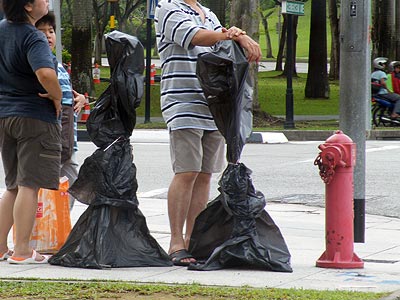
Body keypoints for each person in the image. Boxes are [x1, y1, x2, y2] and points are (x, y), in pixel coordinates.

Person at [155, 0, 262, 266]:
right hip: (183, 101)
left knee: (204, 175)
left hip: (213, 104)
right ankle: (176, 242)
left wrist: (238, 36)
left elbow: (222, 44)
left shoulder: (209, 13)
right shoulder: (169, 8)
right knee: (187, 171)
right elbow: (196, 37)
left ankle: (194, 239)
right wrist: (233, 33)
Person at [0, 0, 62, 264]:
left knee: (13, 185)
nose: (46, 2)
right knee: (29, 184)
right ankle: (23, 250)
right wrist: (57, 97)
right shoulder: (33, 36)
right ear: (27, 6)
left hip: (5, 114)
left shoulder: (1, 29)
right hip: (34, 116)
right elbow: (46, 74)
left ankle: (1, 246)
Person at [35, 12, 86, 210]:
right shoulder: (41, 65)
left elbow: (68, 100)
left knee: (71, 181)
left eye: (51, 31)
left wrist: (80, 99)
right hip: (52, 140)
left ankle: (60, 222)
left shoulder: (58, 66)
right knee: (46, 184)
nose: (48, 35)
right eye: (41, 31)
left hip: (68, 142)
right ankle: (43, 225)